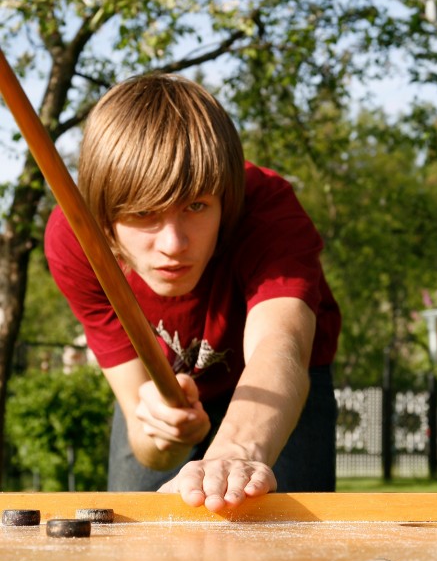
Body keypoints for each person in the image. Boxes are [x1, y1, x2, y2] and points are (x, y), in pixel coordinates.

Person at [45, 73, 341, 513]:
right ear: (104, 218)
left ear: (226, 198)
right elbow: (147, 444)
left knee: (288, 557)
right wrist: (163, 434)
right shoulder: (77, 241)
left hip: (281, 390)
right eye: (144, 213)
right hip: (162, 393)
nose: (173, 244)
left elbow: (282, 346)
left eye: (196, 206)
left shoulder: (268, 212)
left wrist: (232, 455)